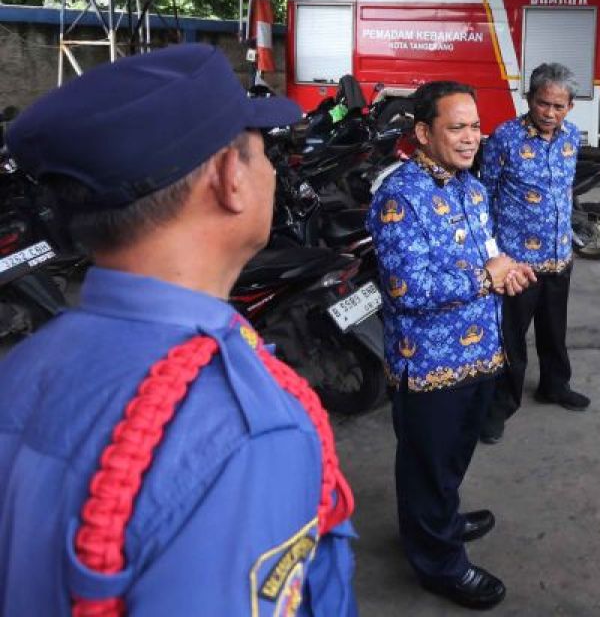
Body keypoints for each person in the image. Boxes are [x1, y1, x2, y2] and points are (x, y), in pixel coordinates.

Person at [0, 44, 357, 615]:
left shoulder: (23, 367)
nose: (273, 169)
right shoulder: (245, 430)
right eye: (264, 151)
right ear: (228, 179)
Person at [368, 81, 536, 610]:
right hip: (429, 362)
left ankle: (435, 521)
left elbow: (487, 253)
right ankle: (438, 563)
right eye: (456, 127)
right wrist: (486, 278)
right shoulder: (400, 197)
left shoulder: (473, 189)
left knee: (452, 457)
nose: (470, 138)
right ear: (423, 133)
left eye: (475, 126)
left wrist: (506, 270)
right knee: (428, 461)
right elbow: (407, 288)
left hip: (480, 352)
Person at [479, 63, 590, 445]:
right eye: (543, 103)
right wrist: (493, 256)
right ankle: (498, 408)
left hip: (559, 256)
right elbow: (485, 196)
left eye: (559, 106)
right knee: (510, 339)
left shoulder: (572, 137)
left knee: (554, 330)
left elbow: (566, 192)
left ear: (570, 107)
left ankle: (555, 385)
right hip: (517, 264)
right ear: (529, 99)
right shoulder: (505, 138)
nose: (550, 113)